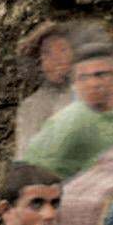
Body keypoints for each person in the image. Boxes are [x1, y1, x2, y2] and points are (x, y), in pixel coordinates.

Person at [25, 44, 113, 180]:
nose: (93, 83)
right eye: (84, 77)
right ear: (75, 83)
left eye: (101, 75)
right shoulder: (74, 120)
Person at [13, 21, 75, 154]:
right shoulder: (31, 107)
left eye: (62, 50)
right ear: (39, 62)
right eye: (47, 53)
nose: (56, 60)